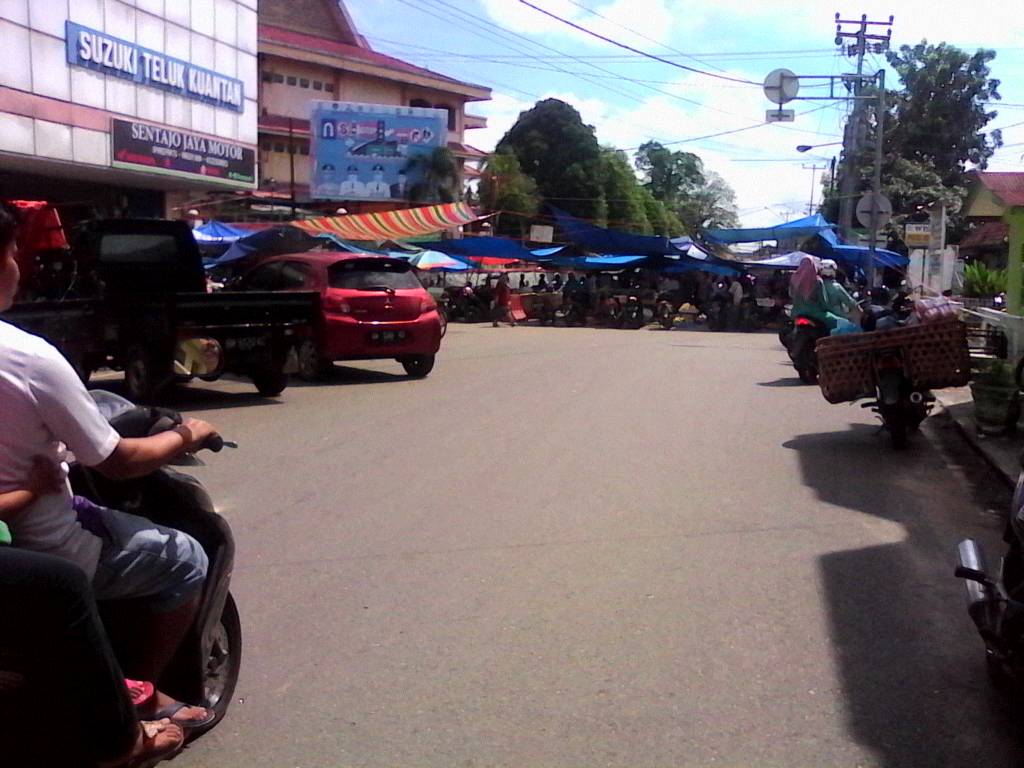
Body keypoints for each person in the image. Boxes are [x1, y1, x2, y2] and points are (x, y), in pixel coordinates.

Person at [0, 205, 215, 700]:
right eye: (12, 254)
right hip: (45, 546)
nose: (18, 265)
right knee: (186, 557)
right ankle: (139, 696)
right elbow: (117, 462)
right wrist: (190, 434)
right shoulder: (29, 357)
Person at [790, 255, 851, 333]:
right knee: (844, 323)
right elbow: (824, 301)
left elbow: (791, 294)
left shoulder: (794, 279)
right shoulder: (817, 281)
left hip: (796, 313)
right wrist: (828, 309)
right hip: (816, 314)